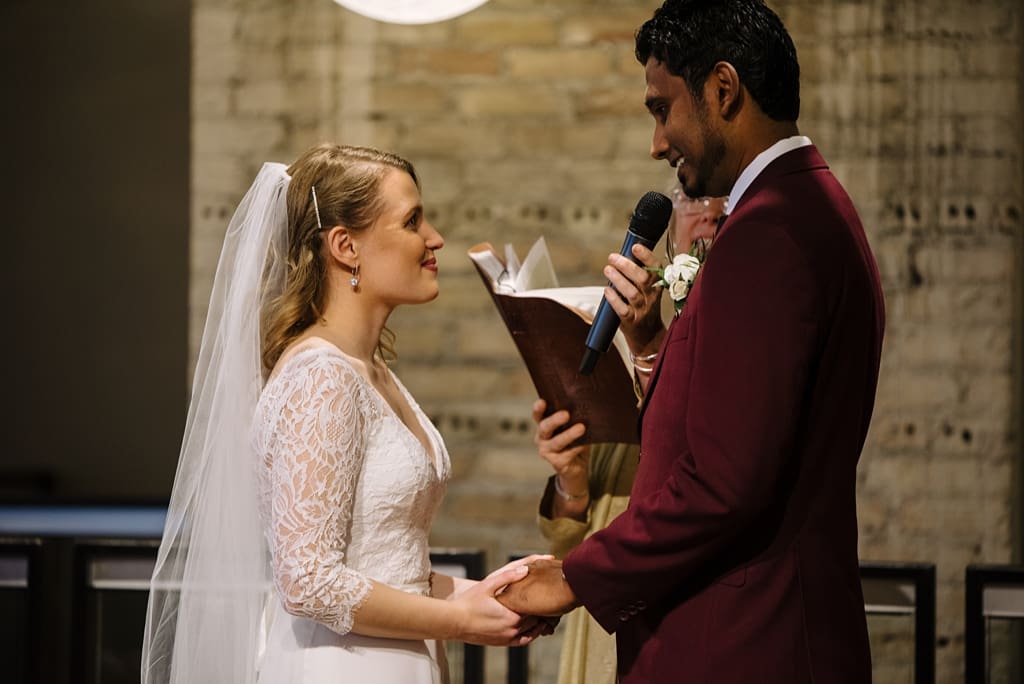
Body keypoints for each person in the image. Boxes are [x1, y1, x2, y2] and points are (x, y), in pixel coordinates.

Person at [499, 1, 886, 682]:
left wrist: (575, 578)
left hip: (739, 643)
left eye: (661, 108)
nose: (657, 143)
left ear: (724, 89)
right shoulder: (814, 207)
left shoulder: (768, 235)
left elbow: (724, 483)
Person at [141, 143, 552, 684]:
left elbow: (388, 565)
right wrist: (457, 618)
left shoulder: (369, 369)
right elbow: (307, 580)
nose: (435, 240)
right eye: (412, 221)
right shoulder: (322, 377)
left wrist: (487, 595)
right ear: (345, 246)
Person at [531, 192, 727, 684]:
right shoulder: (620, 343)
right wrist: (571, 480)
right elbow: (570, 536)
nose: (708, 214)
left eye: (723, 199)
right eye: (693, 199)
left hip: (679, 615)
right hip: (601, 606)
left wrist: (649, 346)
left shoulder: (739, 337)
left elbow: (709, 481)